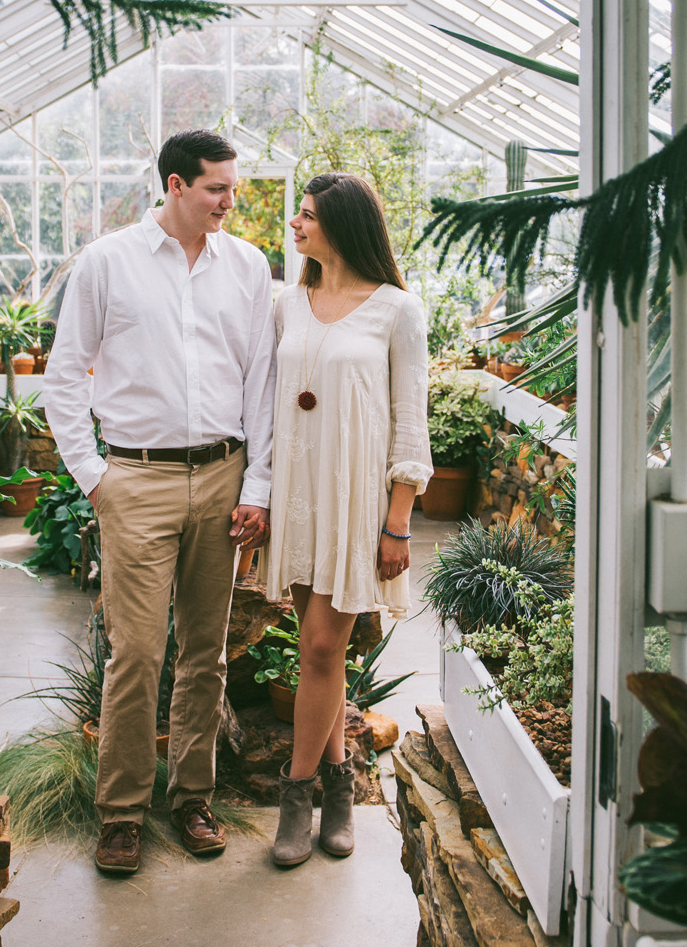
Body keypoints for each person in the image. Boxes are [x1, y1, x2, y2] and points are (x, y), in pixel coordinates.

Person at [44, 129, 277, 877]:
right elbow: (62, 377)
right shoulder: (107, 263)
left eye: (231, 188)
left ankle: (193, 800)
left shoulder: (247, 266)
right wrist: (94, 477)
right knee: (137, 652)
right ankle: (120, 813)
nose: (229, 202)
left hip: (222, 476)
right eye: (217, 188)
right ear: (176, 185)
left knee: (206, 653)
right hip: (134, 481)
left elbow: (261, 385)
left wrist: (259, 486)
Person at [261, 171, 431, 868]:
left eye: (306, 216)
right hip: (299, 498)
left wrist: (398, 521)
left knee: (324, 650)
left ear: (343, 224)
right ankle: (340, 787)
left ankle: (295, 798)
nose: (295, 225)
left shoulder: (397, 310)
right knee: (314, 651)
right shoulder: (286, 303)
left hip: (357, 504)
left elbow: (409, 421)